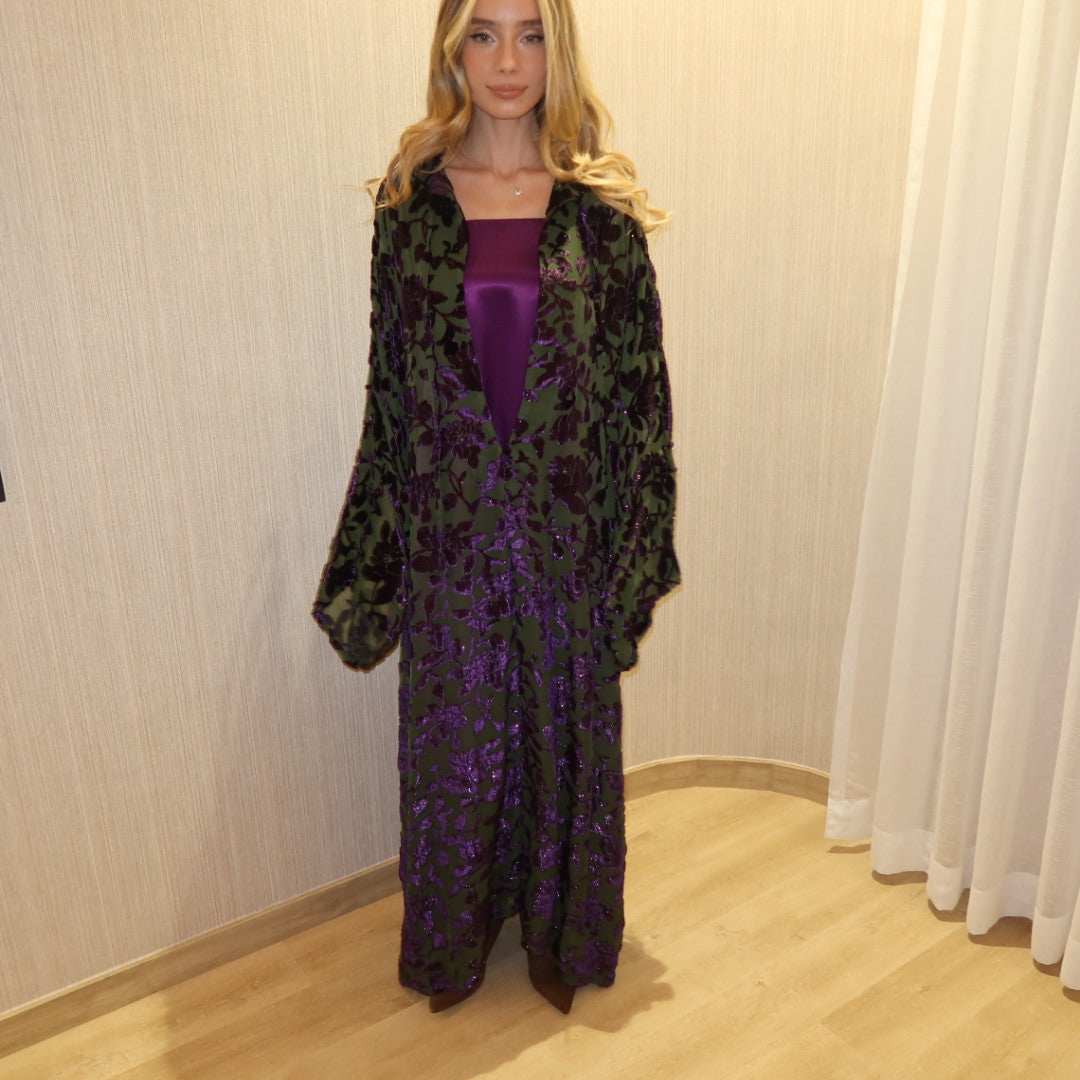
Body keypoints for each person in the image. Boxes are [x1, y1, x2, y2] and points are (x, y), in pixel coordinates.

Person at [313, 0, 679, 1015]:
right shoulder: (409, 211)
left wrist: (633, 553)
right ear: (453, 51)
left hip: (568, 536)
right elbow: (391, 399)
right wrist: (375, 560)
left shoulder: (601, 217)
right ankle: (458, 934)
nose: (508, 60)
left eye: (531, 33)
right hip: (455, 538)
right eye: (484, 33)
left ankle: (563, 932)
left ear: (559, 49)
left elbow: (642, 405)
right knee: (461, 740)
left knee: (563, 737)